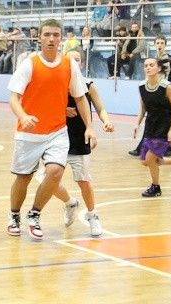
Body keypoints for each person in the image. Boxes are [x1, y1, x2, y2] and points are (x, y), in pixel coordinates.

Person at [6, 18, 96, 241]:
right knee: (23, 178)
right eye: (47, 34)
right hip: (28, 133)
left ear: (61, 38)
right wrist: (23, 116)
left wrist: (90, 127)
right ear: (39, 38)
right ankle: (14, 215)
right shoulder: (29, 63)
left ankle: (34, 214)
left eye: (56, 35)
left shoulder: (69, 65)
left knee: (55, 172)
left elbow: (81, 98)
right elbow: (14, 98)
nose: (51, 39)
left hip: (57, 132)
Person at [53, 50, 114, 237]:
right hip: (57, 139)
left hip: (80, 139)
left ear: (81, 63)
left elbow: (100, 108)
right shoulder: (56, 83)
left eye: (77, 59)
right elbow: (46, 107)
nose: (74, 62)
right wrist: (62, 110)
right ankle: (70, 202)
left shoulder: (88, 85)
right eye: (70, 59)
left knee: (83, 181)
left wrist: (106, 121)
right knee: (48, 180)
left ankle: (92, 215)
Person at [135, 58, 171, 197]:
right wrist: (137, 124)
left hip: (164, 127)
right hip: (150, 126)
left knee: (150, 159)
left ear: (158, 68)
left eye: (151, 65)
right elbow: (143, 108)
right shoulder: (142, 86)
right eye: (146, 65)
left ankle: (156, 187)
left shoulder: (166, 87)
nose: (148, 67)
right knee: (145, 161)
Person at [129, 35, 171, 157]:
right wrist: (137, 123)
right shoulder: (151, 59)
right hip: (153, 89)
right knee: (152, 118)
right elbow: (143, 108)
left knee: (166, 117)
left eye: (162, 43)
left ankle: (170, 146)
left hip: (164, 92)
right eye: (158, 43)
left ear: (165, 45)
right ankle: (145, 147)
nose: (160, 45)